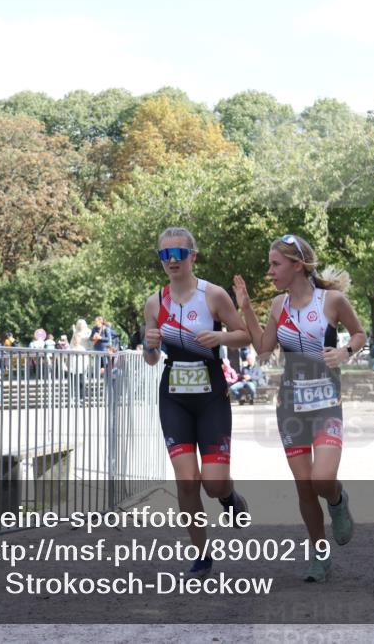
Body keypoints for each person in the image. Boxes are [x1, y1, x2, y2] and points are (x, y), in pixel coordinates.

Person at [234, 233, 364, 583]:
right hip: (291, 406)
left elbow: (359, 335)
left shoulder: (332, 301)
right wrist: (246, 307)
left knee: (322, 479)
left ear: (297, 265)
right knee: (305, 486)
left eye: (275, 264)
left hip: (327, 404)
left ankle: (337, 501)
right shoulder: (279, 305)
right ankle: (320, 556)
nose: (270, 271)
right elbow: (263, 348)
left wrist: (344, 352)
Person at [142, 227, 251, 580]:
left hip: (211, 394)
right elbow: (151, 359)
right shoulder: (155, 303)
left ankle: (229, 497)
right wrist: (149, 345)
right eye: (165, 255)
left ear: (193, 256)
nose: (171, 261)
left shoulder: (213, 295)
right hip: (174, 397)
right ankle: (201, 555)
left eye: (178, 254)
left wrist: (219, 336)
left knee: (213, 484)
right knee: (187, 481)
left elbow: (245, 335)